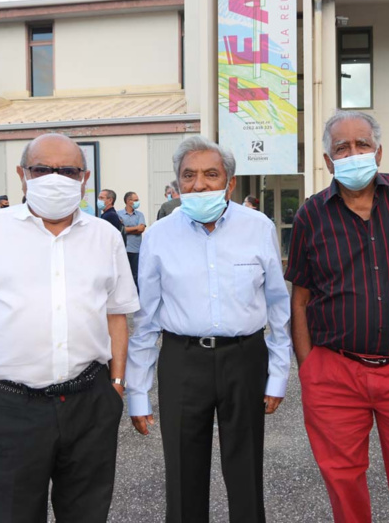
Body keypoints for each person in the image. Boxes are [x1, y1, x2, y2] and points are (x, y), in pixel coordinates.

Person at [0, 133, 139, 522]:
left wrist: (115, 384)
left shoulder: (105, 237)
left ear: (84, 177)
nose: (55, 178)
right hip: (11, 407)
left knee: (87, 514)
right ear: (22, 174)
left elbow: (117, 313)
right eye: (42, 169)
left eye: (68, 170)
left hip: (89, 401)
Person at [286, 110, 389, 523]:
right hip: (335, 371)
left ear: (378, 153)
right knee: (342, 480)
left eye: (362, 145)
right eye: (342, 147)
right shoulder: (310, 215)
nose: (353, 153)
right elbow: (300, 298)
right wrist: (310, 370)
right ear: (328, 161)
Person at [126, 135, 291, 523]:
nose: (199, 185)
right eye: (189, 176)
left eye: (211, 175)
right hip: (182, 361)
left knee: (246, 471)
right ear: (177, 183)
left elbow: (278, 306)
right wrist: (138, 391)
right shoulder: (157, 236)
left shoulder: (258, 227)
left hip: (245, 358)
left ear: (229, 183)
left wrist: (278, 375)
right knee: (183, 475)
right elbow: (146, 320)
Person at [118, 191, 145, 290]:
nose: (138, 202)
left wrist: (127, 229)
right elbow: (120, 230)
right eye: (136, 200)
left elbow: (141, 229)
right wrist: (135, 228)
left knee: (136, 275)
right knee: (123, 276)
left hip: (136, 250)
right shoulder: (118, 214)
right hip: (123, 249)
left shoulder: (140, 215)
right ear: (129, 201)